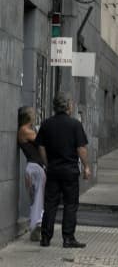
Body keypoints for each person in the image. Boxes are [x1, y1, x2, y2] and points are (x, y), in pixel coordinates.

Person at [36, 92, 91, 248]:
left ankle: (45, 238)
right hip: (70, 171)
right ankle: (68, 238)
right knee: (70, 204)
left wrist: (47, 163)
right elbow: (81, 148)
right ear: (68, 106)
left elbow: (40, 146)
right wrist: (86, 166)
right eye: (71, 104)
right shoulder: (75, 125)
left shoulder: (46, 124)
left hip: (53, 170)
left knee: (50, 204)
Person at [17, 106, 46, 242]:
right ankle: (36, 225)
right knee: (38, 198)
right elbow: (41, 141)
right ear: (28, 116)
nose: (35, 114)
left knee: (36, 198)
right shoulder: (25, 130)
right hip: (35, 168)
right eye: (33, 113)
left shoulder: (28, 130)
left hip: (34, 168)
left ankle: (36, 225)